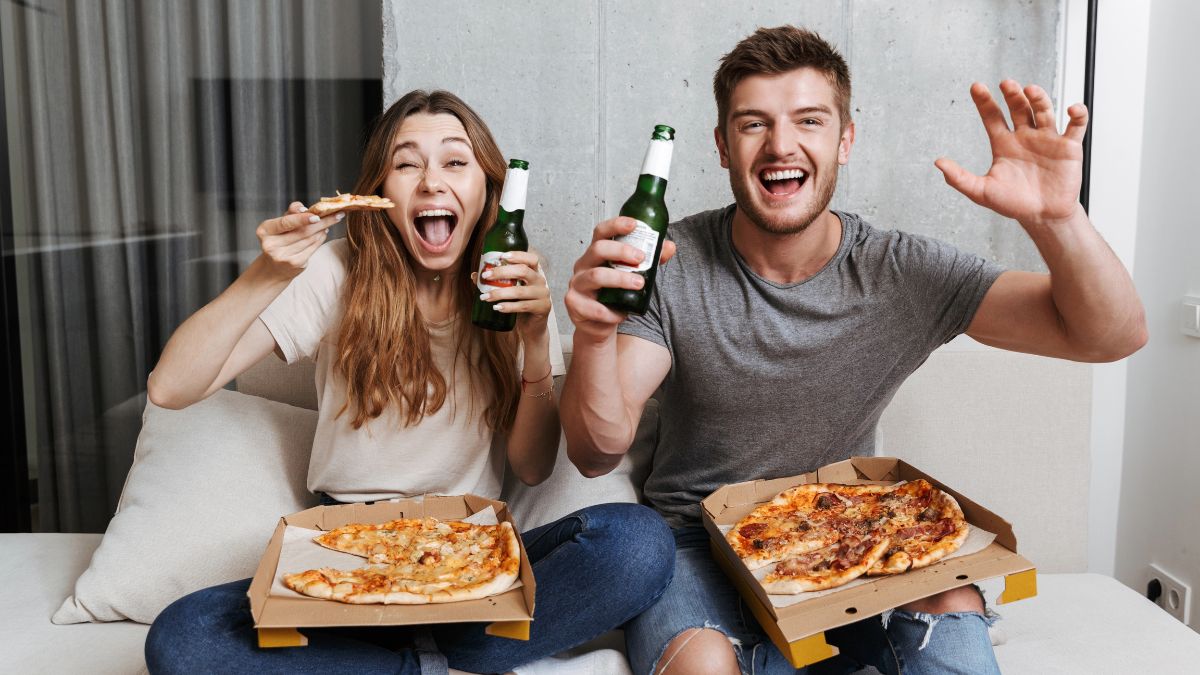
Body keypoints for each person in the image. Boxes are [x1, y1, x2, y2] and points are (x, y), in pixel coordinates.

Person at [561, 25, 1146, 675]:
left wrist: (1057, 219)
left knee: (951, 598)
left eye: (808, 120)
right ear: (723, 147)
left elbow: (1112, 336)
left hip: (849, 539)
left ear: (845, 140)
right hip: (697, 544)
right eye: (754, 124)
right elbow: (597, 448)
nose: (781, 145)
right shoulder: (670, 262)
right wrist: (591, 334)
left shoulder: (902, 272)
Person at [143, 89, 674, 675]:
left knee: (640, 544)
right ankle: (427, 667)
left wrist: (533, 343)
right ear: (379, 194)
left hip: (470, 560)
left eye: (454, 161)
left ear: (487, 188)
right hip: (345, 554)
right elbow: (171, 388)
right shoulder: (337, 272)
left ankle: (411, 658)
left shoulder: (515, 281)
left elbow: (531, 469)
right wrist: (268, 273)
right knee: (183, 638)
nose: (430, 183)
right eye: (406, 163)